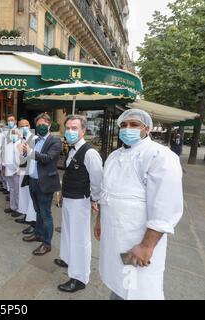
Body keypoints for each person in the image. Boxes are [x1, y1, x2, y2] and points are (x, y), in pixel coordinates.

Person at [95, 109, 183, 300]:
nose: (128, 129)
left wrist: (146, 246)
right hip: (115, 236)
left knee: (136, 288)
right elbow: (106, 192)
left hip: (137, 239)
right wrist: (99, 219)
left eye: (134, 125)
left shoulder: (159, 156)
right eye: (124, 125)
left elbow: (164, 206)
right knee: (119, 283)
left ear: (147, 128)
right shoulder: (114, 156)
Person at [54, 115, 103, 293]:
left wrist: (96, 200)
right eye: (67, 128)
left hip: (80, 201)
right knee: (67, 231)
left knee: (80, 239)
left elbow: (98, 179)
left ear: (83, 131)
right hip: (69, 198)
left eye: (74, 128)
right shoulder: (72, 150)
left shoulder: (90, 153)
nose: (70, 131)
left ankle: (79, 277)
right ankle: (67, 258)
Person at [21, 113, 62, 256]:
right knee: (37, 210)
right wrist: (25, 153)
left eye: (43, 124)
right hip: (33, 181)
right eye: (38, 125)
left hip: (45, 183)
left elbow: (48, 158)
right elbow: (30, 158)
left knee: (46, 214)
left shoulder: (55, 141)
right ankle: (38, 233)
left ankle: (47, 243)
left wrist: (30, 152)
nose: (41, 126)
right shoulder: (35, 140)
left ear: (49, 125)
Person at [17, 119, 37, 235]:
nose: (24, 127)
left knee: (30, 197)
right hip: (22, 168)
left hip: (30, 171)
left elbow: (34, 155)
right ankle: (25, 215)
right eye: (21, 126)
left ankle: (32, 222)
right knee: (23, 193)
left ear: (30, 126)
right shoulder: (20, 138)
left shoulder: (34, 139)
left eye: (26, 125)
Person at [2, 127, 22, 217]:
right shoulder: (8, 144)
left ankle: (19, 209)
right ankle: (12, 207)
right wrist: (3, 168)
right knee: (12, 189)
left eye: (15, 133)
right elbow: (4, 156)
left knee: (18, 191)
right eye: (12, 134)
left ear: (19, 135)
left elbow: (23, 159)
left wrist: (18, 169)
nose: (13, 135)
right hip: (8, 170)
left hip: (17, 171)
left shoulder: (21, 144)